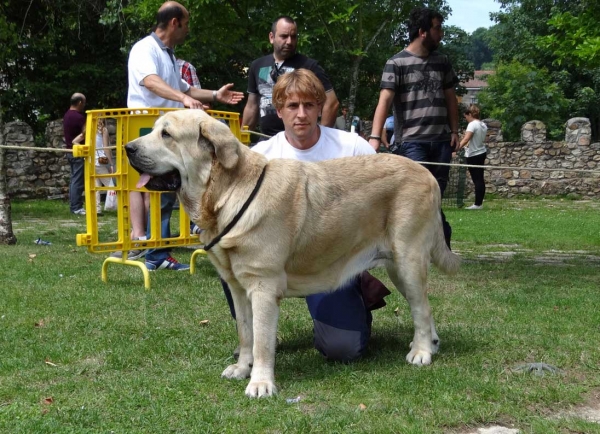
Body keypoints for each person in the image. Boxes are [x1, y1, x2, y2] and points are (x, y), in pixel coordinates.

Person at [222, 69, 390, 362]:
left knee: (343, 349)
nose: (301, 114)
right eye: (292, 106)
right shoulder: (262, 156)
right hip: (272, 260)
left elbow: (381, 201)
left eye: (309, 105)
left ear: (320, 107)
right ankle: (255, 339)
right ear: (279, 110)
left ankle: (357, 295)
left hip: (331, 264)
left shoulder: (353, 148)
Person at [125, 1, 244, 270]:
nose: (188, 30)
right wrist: (181, 99)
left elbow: (186, 90)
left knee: (165, 192)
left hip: (166, 137)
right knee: (152, 192)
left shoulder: (166, 54)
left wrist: (216, 95)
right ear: (175, 23)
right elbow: (150, 81)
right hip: (148, 133)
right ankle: (153, 252)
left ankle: (157, 252)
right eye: (187, 24)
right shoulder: (145, 49)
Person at [369, 6, 460, 248]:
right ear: (422, 32)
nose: (441, 34)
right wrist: (374, 137)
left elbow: (451, 98)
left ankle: (436, 242)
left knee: (435, 195)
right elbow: (384, 101)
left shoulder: (443, 62)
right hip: (411, 142)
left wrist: (454, 131)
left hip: (441, 141)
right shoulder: (396, 63)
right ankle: (432, 240)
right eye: (437, 28)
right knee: (418, 197)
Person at [242, 16, 339, 137]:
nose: (289, 41)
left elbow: (332, 102)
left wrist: (322, 137)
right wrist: (242, 141)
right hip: (267, 140)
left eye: (293, 37)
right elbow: (252, 106)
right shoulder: (257, 65)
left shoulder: (309, 65)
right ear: (271, 37)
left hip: (300, 143)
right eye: (284, 36)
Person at [63, 93, 87, 215]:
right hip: (78, 151)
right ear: (79, 103)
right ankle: (76, 207)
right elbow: (85, 133)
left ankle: (74, 205)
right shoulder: (78, 117)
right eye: (84, 102)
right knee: (77, 180)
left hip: (69, 150)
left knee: (73, 180)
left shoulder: (67, 115)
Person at [460, 104, 488, 209]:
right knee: (480, 178)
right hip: (481, 152)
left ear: (470, 114)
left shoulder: (472, 124)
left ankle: (477, 204)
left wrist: (456, 148)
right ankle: (479, 203)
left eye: (466, 116)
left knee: (477, 179)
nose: (466, 119)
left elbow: (466, 139)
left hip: (474, 154)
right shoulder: (483, 124)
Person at [94, 118, 114, 215]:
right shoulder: (103, 130)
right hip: (100, 161)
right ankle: (119, 205)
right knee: (111, 184)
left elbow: (75, 141)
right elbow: (106, 148)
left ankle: (97, 209)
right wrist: (111, 163)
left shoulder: (88, 129)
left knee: (96, 186)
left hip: (90, 161)